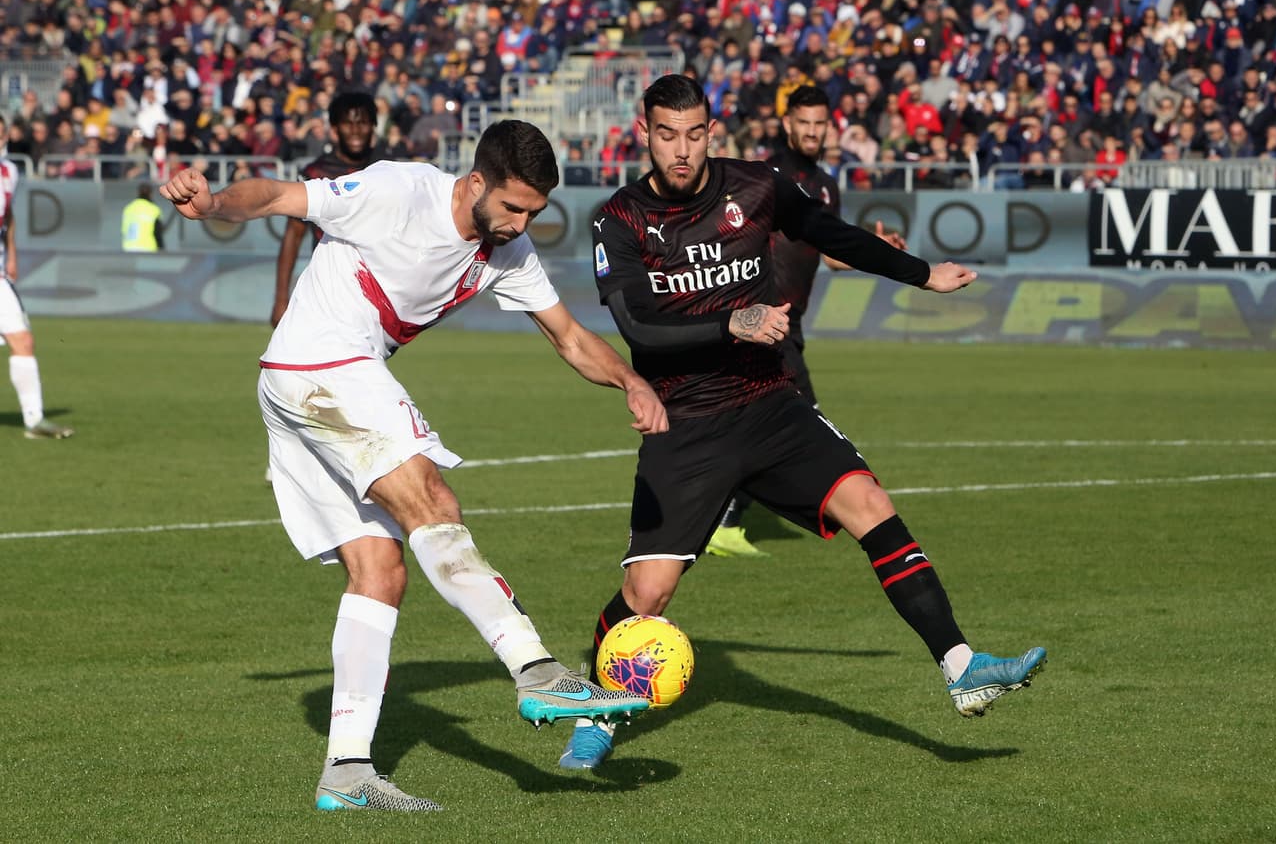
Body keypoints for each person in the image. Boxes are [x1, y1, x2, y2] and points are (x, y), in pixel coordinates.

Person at [159, 120, 667, 812]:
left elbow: (570, 336)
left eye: (534, 213)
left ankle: (346, 772)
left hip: (302, 381)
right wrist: (214, 203)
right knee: (433, 498)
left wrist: (631, 383)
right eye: (513, 207)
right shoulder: (396, 189)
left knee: (381, 571)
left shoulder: (507, 248)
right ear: (477, 182)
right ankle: (537, 668)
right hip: (321, 362)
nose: (521, 223)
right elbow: (278, 196)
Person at [559, 75, 1045, 770]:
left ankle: (961, 664)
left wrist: (920, 273)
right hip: (687, 423)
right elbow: (638, 323)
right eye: (668, 135)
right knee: (648, 593)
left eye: (695, 134)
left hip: (770, 403)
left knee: (871, 505)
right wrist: (733, 318)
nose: (682, 151)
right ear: (645, 132)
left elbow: (828, 230)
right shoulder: (621, 218)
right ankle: (599, 703)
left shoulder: (755, 187)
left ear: (711, 131)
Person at [707, 86, 905, 559]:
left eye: (821, 123)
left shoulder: (826, 186)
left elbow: (829, 252)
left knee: (770, 422)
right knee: (799, 420)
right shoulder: (762, 176)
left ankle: (721, 514)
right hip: (761, 321)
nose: (813, 131)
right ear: (788, 125)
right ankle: (733, 519)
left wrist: (875, 251)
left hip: (788, 325)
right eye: (805, 123)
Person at [270, 93, 379, 329]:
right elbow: (293, 235)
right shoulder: (315, 173)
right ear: (335, 129)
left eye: (362, 123)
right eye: (348, 123)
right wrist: (280, 299)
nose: (356, 130)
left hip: (377, 295)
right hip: (327, 289)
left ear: (374, 127)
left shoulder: (387, 171)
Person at [1, 118, 74, 440]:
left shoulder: (10, 172)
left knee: (23, 340)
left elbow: (9, 215)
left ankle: (34, 421)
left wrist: (12, 253)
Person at [120, 182, 165, 252]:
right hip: (148, 249)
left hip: (128, 249)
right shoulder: (153, 209)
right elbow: (157, 233)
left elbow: (124, 230)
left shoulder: (128, 208)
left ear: (138, 192)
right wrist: (162, 250)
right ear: (151, 194)